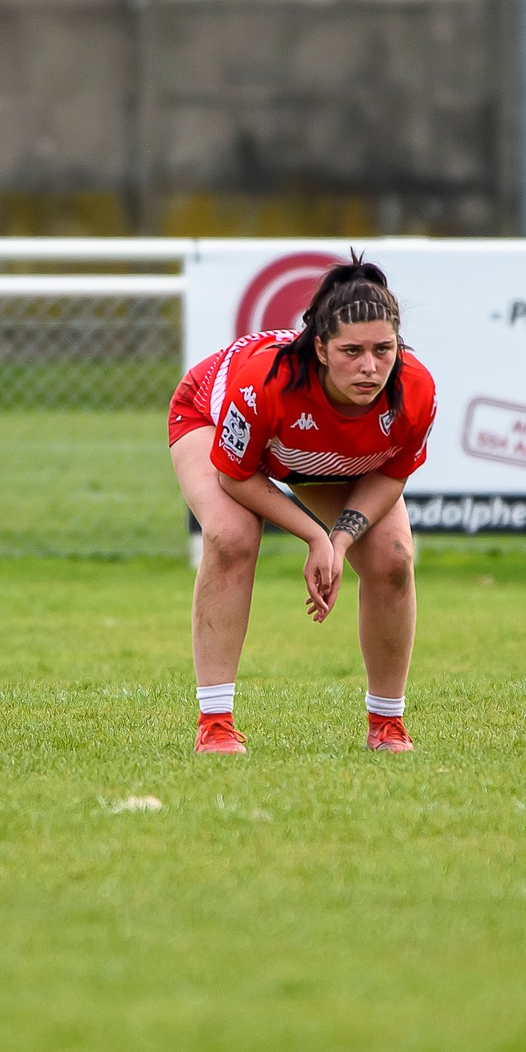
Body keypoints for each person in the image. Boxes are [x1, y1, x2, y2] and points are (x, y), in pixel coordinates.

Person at [166, 258, 437, 754]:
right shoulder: (265, 381)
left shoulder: (415, 389)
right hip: (211, 420)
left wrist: (341, 538)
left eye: (383, 349)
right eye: (351, 351)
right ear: (319, 348)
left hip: (310, 453)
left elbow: (391, 473)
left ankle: (387, 725)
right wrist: (314, 536)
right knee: (232, 537)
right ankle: (216, 723)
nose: (370, 367)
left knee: (392, 556)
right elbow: (235, 474)